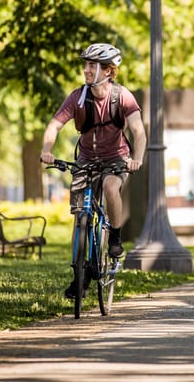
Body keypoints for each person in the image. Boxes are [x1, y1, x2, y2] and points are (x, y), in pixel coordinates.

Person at [40, 43, 146, 298]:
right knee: (81, 216)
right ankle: (80, 277)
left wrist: (137, 158)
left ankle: (116, 237)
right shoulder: (78, 97)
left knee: (111, 187)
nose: (86, 70)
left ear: (108, 71)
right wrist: (46, 150)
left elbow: (138, 131)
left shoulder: (122, 96)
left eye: (92, 66)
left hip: (116, 157)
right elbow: (55, 125)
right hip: (86, 159)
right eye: (86, 65)